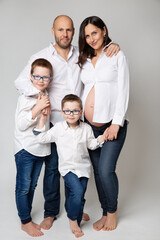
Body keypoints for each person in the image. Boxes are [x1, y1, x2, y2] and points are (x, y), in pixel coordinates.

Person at [14, 15, 120, 230]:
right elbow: (20, 82)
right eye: (61, 30)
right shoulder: (41, 56)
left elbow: (102, 56)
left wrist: (113, 44)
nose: (65, 34)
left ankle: (76, 209)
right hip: (54, 121)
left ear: (73, 32)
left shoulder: (82, 54)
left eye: (69, 30)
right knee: (53, 169)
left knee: (79, 164)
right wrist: (40, 95)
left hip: (79, 122)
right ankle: (51, 213)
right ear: (53, 30)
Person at [77, 16, 129, 231]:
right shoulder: (85, 60)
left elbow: (124, 90)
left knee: (106, 170)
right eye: (87, 35)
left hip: (110, 125)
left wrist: (116, 123)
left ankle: (113, 213)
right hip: (89, 128)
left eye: (94, 33)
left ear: (104, 30)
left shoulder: (116, 55)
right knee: (98, 171)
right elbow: (82, 91)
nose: (91, 39)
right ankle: (105, 211)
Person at [33, 94, 105, 238]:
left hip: (83, 169)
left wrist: (101, 139)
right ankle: (73, 220)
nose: (71, 114)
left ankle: (76, 212)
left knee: (79, 195)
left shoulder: (86, 128)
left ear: (81, 112)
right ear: (62, 112)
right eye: (67, 111)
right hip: (67, 169)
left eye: (75, 111)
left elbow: (91, 144)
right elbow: (42, 138)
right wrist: (42, 119)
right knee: (77, 191)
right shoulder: (59, 128)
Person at [14, 58, 53, 237]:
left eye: (45, 77)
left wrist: (44, 117)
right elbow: (21, 125)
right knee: (23, 187)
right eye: (37, 76)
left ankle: (27, 218)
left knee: (32, 185)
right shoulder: (26, 96)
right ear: (30, 77)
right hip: (25, 148)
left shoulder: (45, 96)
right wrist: (37, 108)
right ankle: (25, 222)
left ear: (50, 79)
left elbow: (41, 128)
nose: (40, 80)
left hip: (40, 148)